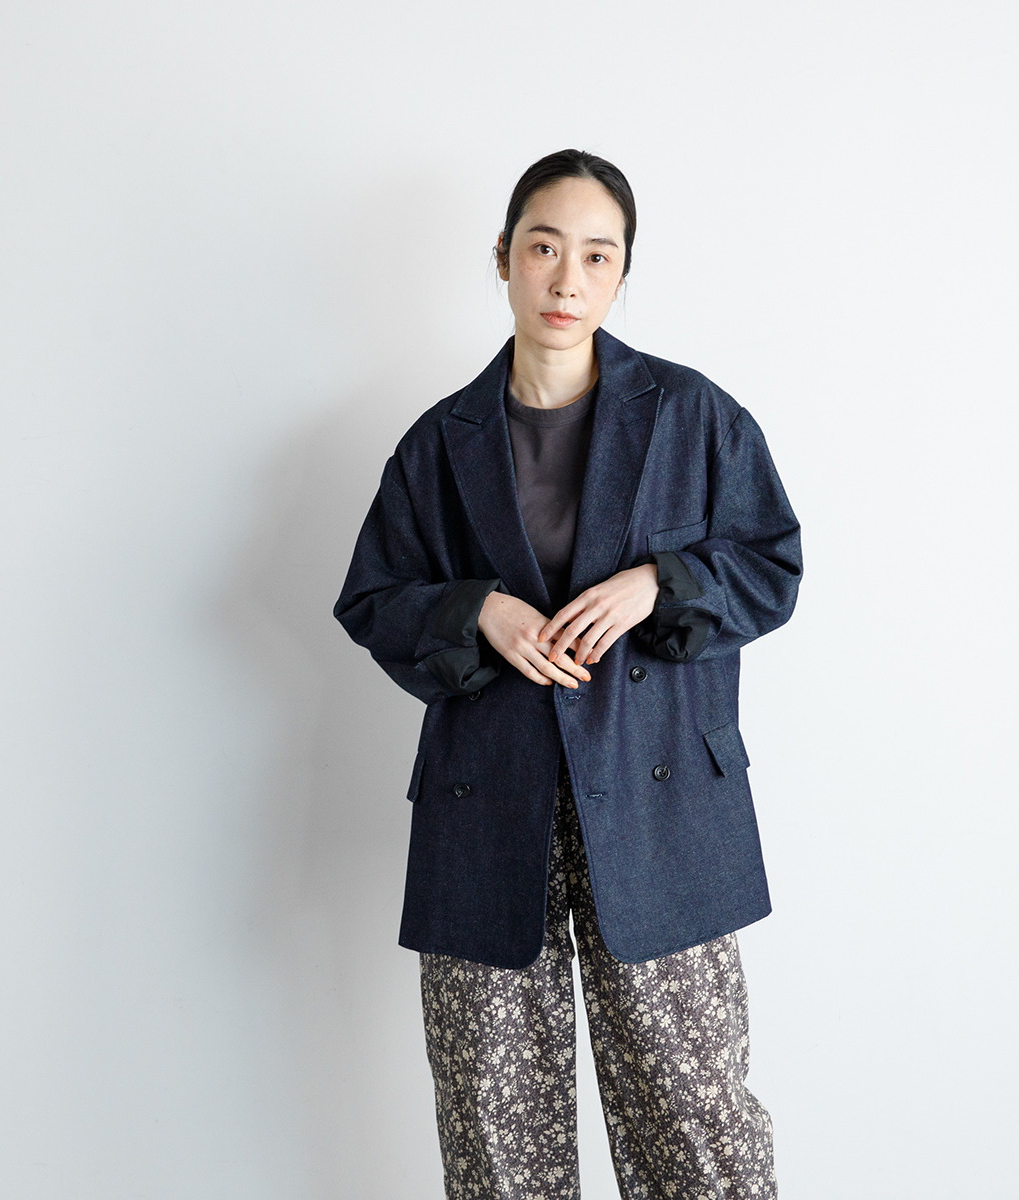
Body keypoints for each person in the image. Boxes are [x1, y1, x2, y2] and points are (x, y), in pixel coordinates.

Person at [334, 149, 802, 1200]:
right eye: (544, 248)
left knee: (698, 1125)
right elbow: (372, 598)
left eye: (598, 255)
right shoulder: (438, 443)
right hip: (487, 810)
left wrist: (659, 584)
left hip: (660, 804)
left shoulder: (693, 417)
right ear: (504, 256)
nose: (567, 279)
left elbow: (772, 566)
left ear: (623, 272)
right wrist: (478, 610)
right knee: (496, 1139)